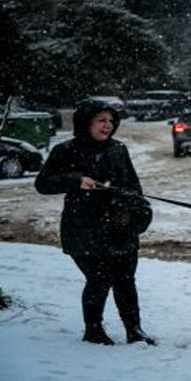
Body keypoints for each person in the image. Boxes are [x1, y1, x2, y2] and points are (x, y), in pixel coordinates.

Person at [35, 99, 155, 346]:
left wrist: (137, 211)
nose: (107, 126)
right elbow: (43, 184)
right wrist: (75, 180)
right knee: (99, 278)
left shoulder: (118, 149)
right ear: (85, 123)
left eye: (111, 121)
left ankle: (134, 329)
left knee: (125, 280)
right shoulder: (65, 150)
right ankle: (93, 330)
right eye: (101, 120)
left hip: (119, 227)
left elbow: (133, 186)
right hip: (83, 228)